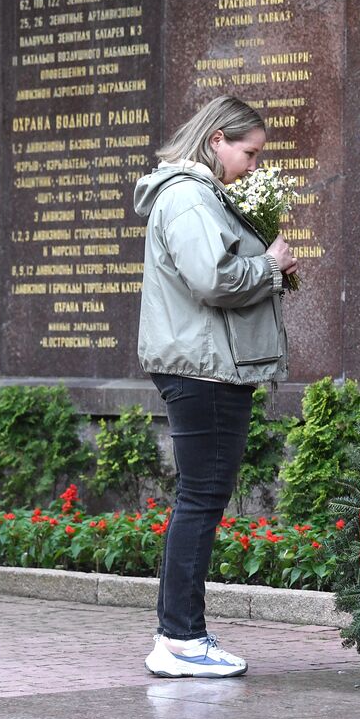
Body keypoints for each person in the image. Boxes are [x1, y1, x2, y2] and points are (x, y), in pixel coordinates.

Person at [132, 95, 297, 677]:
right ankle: (179, 640)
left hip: (205, 364)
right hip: (204, 368)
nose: (252, 165)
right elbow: (213, 278)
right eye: (248, 153)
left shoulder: (195, 196)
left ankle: (180, 636)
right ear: (217, 140)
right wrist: (270, 266)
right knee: (200, 501)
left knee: (199, 500)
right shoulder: (188, 197)